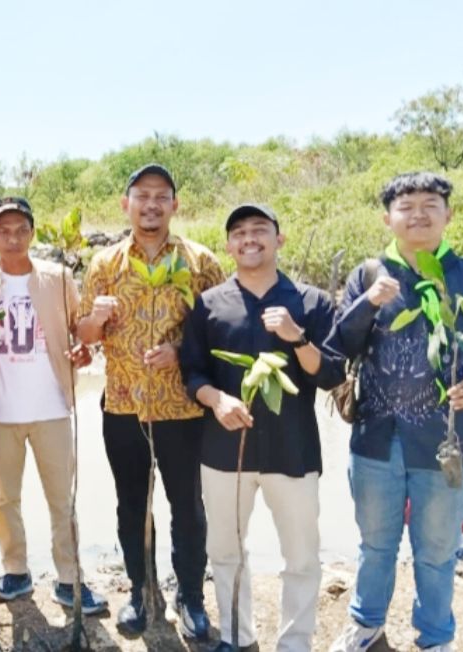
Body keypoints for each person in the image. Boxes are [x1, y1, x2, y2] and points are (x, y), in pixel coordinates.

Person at [180, 204, 345, 652]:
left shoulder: (311, 302)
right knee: (226, 551)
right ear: (229, 245)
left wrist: (297, 338)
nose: (249, 239)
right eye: (239, 232)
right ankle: (237, 637)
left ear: (279, 238)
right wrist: (216, 399)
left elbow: (331, 375)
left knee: (302, 556)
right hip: (223, 451)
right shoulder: (210, 304)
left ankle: (295, 643)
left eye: (259, 230)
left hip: (293, 452)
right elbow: (192, 373)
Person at [326, 172, 463, 652]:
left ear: (449, 215)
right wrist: (367, 304)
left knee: (437, 552)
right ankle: (366, 625)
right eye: (406, 205)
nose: (419, 214)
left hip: (449, 440)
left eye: (431, 204)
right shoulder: (369, 276)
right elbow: (338, 347)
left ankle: (435, 637)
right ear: (387, 217)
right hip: (376, 438)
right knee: (376, 545)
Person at [77, 163, 224, 638]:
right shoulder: (105, 265)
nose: (152, 204)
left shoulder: (200, 262)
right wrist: (95, 320)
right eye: (142, 195)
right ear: (126, 205)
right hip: (123, 405)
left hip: (183, 407)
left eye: (162, 196)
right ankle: (142, 592)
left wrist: (181, 352)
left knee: (189, 505)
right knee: (131, 505)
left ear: (175, 206)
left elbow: (217, 332)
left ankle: (192, 596)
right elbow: (83, 334)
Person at [0, 196, 108, 615]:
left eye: (20, 229)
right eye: (3, 230)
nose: (12, 238)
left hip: (52, 406)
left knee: (61, 500)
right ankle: (15, 571)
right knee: (4, 500)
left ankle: (70, 579)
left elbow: (77, 331)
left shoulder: (57, 277)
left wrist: (84, 351)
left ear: (32, 233)